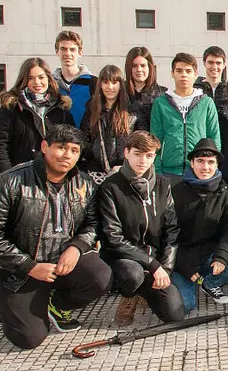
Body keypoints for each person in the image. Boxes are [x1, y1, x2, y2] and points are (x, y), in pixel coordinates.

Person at [0, 125, 111, 350]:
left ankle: (56, 304)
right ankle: (7, 303)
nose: (67, 155)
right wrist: (29, 266)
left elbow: (92, 224)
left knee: (102, 275)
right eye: (61, 147)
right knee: (29, 339)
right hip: (20, 271)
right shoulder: (11, 181)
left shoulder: (84, 183)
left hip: (61, 264)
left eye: (74, 150)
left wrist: (76, 248)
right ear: (44, 147)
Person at [98, 131, 184, 325]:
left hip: (156, 260)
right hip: (124, 259)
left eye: (149, 155)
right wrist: (152, 265)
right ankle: (129, 295)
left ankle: (145, 292)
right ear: (126, 153)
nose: (143, 160)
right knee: (133, 274)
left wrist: (166, 268)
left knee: (175, 315)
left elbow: (172, 230)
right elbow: (113, 237)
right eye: (138, 154)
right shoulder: (110, 187)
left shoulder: (163, 185)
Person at [171, 138, 228, 312]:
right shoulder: (176, 192)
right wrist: (182, 265)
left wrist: (221, 256)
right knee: (185, 307)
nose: (205, 167)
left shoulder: (226, 193)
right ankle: (185, 282)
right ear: (192, 163)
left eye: (211, 162)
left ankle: (209, 283)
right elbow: (167, 234)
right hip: (182, 259)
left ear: (217, 165)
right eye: (200, 161)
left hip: (209, 256)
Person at [0, 58, 75, 177]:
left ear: (48, 79)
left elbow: (71, 144)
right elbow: (0, 146)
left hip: (55, 176)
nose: (37, 82)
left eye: (41, 77)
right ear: (24, 80)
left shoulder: (61, 107)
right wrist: (6, 177)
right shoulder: (11, 107)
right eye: (31, 78)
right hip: (21, 176)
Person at [150, 53, 220, 178]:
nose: (184, 75)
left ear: (195, 74)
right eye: (179, 70)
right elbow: (155, 141)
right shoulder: (160, 103)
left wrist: (210, 170)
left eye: (188, 71)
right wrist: (158, 171)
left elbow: (214, 139)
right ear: (172, 73)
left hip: (199, 173)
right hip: (169, 172)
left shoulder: (206, 102)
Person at [79, 65, 137, 184]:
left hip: (123, 171)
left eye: (114, 82)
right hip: (95, 173)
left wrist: (125, 164)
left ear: (121, 84)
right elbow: (83, 139)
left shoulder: (132, 110)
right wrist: (93, 158)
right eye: (105, 82)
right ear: (100, 84)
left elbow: (139, 142)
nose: (110, 87)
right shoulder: (91, 108)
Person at [52, 30, 97, 128]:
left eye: (72, 49)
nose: (68, 53)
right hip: (57, 141)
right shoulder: (50, 84)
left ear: (80, 52)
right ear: (57, 52)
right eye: (63, 49)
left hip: (85, 140)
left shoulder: (93, 83)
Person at [124, 46, 167, 131]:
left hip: (152, 143)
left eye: (143, 65)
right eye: (134, 66)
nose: (139, 69)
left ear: (150, 67)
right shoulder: (121, 92)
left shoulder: (163, 94)